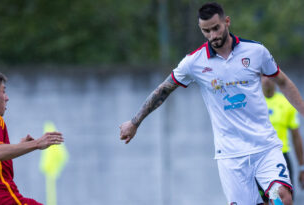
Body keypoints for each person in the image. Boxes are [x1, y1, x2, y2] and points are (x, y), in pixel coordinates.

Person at [119, 2, 304, 205]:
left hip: (265, 147)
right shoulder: (194, 62)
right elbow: (163, 89)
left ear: (227, 22)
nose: (213, 35)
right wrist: (135, 122)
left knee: (282, 198)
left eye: (216, 28)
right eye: (206, 31)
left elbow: (283, 82)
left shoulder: (255, 52)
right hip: (231, 156)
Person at [0, 69, 64, 204]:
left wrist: (20, 146)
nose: (7, 97)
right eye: (3, 91)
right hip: (3, 200)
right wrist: (37, 143)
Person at [259, 76, 304, 203]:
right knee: (261, 201)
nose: (266, 80)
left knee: (282, 200)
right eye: (263, 77)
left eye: (269, 76)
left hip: (282, 157)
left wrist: (302, 167)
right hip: (259, 158)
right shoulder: (253, 103)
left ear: (275, 79)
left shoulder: (286, 103)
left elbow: (296, 137)